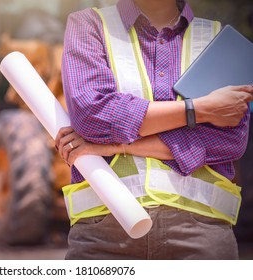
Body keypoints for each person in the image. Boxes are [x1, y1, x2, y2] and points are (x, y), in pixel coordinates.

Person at [55, 0, 253, 260]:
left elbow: (229, 141)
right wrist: (200, 110)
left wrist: (112, 145)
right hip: (104, 236)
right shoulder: (89, 26)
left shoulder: (217, 39)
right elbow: (93, 115)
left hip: (201, 237)